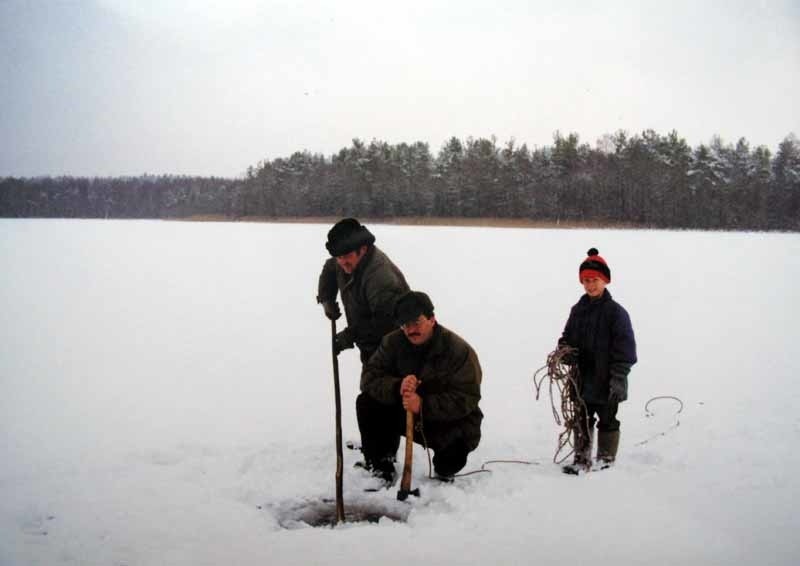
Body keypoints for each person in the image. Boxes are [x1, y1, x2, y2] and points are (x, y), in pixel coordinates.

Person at [356, 290, 483, 484]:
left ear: (432, 320)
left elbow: (467, 398)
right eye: (405, 324)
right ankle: (382, 465)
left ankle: (444, 469)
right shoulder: (392, 342)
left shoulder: (458, 351)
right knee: (367, 402)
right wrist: (396, 386)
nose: (410, 329)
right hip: (406, 413)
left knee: (449, 463)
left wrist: (423, 405)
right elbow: (369, 378)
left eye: (416, 322)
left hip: (448, 423)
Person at [558, 248, 637, 474]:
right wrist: (565, 352)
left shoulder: (616, 313)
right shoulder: (578, 311)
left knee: (608, 419)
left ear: (605, 281)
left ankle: (605, 461)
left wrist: (618, 378)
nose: (590, 285)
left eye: (594, 280)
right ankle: (581, 460)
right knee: (581, 418)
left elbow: (626, 351)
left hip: (608, 379)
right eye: (585, 281)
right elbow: (566, 338)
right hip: (581, 379)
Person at [317, 218, 410, 365]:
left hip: (395, 352)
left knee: (382, 386)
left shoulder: (380, 277)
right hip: (370, 348)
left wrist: (350, 335)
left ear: (363, 249)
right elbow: (330, 268)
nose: (342, 262)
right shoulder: (345, 261)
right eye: (339, 257)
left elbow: (385, 324)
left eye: (347, 256)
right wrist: (326, 299)